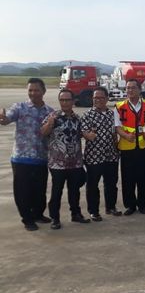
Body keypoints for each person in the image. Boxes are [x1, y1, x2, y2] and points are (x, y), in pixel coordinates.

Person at [0, 78, 53, 231]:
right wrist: (3, 119)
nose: (33, 93)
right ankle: (27, 219)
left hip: (41, 158)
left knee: (40, 190)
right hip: (21, 158)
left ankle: (37, 214)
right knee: (23, 190)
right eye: (30, 90)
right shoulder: (20, 107)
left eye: (36, 90)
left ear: (43, 91)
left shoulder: (49, 112)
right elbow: (7, 118)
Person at [41, 89, 90, 230]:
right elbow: (43, 133)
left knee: (74, 191)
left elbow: (83, 134)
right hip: (58, 164)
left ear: (73, 101)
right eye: (62, 100)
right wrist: (49, 124)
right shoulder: (53, 116)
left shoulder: (77, 118)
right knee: (57, 191)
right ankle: (55, 218)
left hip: (75, 162)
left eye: (67, 100)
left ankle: (76, 214)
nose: (64, 103)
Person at [114, 79, 145, 216]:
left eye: (133, 88)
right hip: (127, 147)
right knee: (128, 179)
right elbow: (117, 126)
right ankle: (130, 205)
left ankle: (143, 204)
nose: (130, 90)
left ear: (139, 89)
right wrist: (125, 136)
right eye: (127, 88)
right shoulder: (119, 106)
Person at [81, 87, 121, 221]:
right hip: (94, 156)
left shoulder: (112, 114)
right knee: (92, 185)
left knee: (111, 183)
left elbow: (115, 132)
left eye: (100, 98)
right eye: (95, 98)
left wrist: (117, 146)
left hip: (111, 155)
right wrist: (88, 135)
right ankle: (93, 211)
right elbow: (84, 133)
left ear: (107, 99)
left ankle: (111, 207)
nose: (97, 100)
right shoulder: (87, 115)